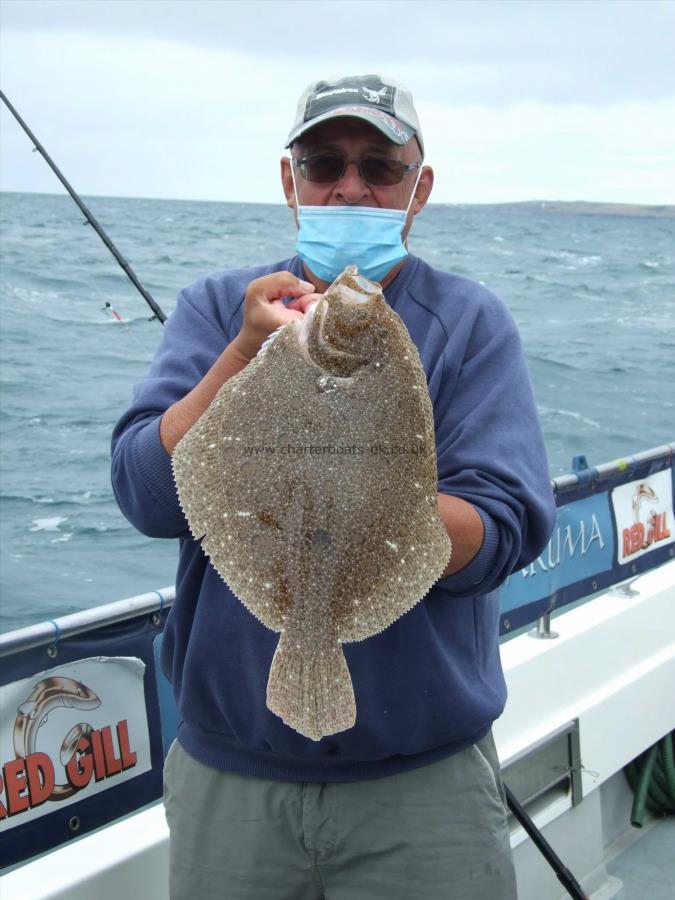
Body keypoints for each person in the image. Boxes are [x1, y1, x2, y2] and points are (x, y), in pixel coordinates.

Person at [111, 75, 556, 899]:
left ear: (418, 188)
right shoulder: (218, 310)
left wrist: (373, 505)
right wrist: (242, 355)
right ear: (290, 181)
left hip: (421, 786)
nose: (350, 185)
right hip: (230, 776)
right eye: (323, 162)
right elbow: (146, 497)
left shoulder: (467, 322)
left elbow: (506, 528)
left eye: (380, 167)